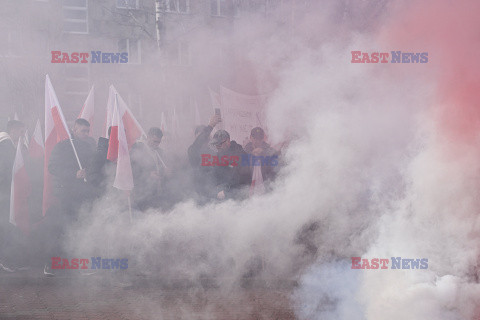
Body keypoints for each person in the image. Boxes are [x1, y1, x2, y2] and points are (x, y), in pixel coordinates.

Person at [44, 118, 95, 275]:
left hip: (85, 195)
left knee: (83, 229)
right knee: (64, 229)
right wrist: (74, 174)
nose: (86, 134)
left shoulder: (89, 146)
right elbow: (53, 167)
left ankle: (81, 264)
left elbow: (94, 168)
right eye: (82, 131)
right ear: (74, 130)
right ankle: (51, 265)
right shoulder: (63, 146)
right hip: (67, 195)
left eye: (87, 131)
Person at [0, 120, 25, 272]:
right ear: (13, 130)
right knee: (4, 226)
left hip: (4, 192)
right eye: (21, 132)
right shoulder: (6, 143)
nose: (22, 135)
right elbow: (6, 170)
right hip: (3, 193)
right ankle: (5, 260)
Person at [130, 127, 168, 211]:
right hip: (142, 192)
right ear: (148, 137)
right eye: (154, 141)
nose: (156, 144)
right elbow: (133, 169)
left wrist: (164, 172)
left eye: (158, 142)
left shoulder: (159, 151)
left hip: (156, 191)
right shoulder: (138, 148)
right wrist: (148, 175)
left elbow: (160, 168)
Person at [209, 129, 251, 201]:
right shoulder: (219, 154)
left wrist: (226, 190)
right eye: (216, 144)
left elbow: (241, 177)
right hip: (223, 195)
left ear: (228, 141)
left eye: (220, 144)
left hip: (238, 195)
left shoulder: (240, 153)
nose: (218, 146)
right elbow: (215, 173)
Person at [187, 114, 221, 203]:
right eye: (201, 137)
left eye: (207, 137)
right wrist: (210, 126)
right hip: (198, 195)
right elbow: (198, 143)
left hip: (214, 194)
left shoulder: (214, 152)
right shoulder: (192, 150)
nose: (204, 139)